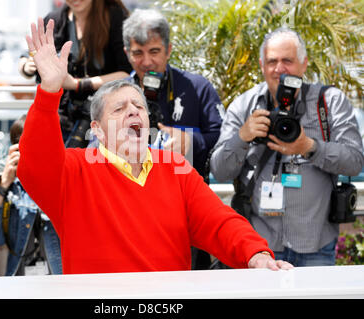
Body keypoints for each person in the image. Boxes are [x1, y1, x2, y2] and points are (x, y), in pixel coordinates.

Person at [17, 18, 293, 275]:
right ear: (97, 130)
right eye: (120, 108)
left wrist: (255, 254)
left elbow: (220, 222)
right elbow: (34, 166)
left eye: (139, 107)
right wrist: (49, 92)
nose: (134, 112)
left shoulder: (175, 168)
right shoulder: (74, 169)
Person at [210, 27, 364, 267]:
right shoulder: (244, 106)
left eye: (288, 61)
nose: (279, 69)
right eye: (272, 61)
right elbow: (219, 171)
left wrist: (308, 146)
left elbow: (354, 160)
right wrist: (243, 137)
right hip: (260, 248)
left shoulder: (329, 103)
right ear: (262, 65)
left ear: (303, 64)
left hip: (315, 246)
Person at [122, 9, 224, 269]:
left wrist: (191, 141)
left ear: (168, 50)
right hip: (130, 213)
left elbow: (223, 137)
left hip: (187, 211)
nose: (146, 62)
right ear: (127, 54)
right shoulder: (118, 95)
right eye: (138, 53)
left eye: (154, 51)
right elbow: (95, 146)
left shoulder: (197, 87)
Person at [18, 0, 133, 144]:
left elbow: (127, 73)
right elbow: (27, 57)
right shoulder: (55, 20)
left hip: (105, 118)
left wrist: (77, 84)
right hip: (62, 117)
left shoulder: (115, 16)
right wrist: (27, 67)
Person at [0, 115, 62, 276]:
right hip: (20, 281)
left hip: (61, 280)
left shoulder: (67, 181)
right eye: (27, 145)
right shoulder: (11, 186)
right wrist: (3, 185)